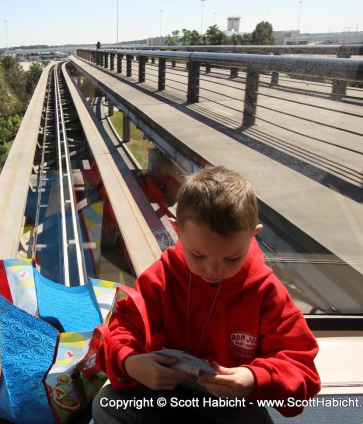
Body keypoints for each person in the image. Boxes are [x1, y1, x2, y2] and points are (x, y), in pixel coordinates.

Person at [93, 166, 321, 423]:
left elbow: (302, 371)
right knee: (107, 403)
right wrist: (130, 362)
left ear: (253, 235)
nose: (213, 270)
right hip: (164, 391)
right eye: (198, 255)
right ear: (177, 230)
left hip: (228, 403)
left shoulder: (266, 292)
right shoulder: (162, 276)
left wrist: (254, 379)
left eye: (232, 258)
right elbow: (120, 329)